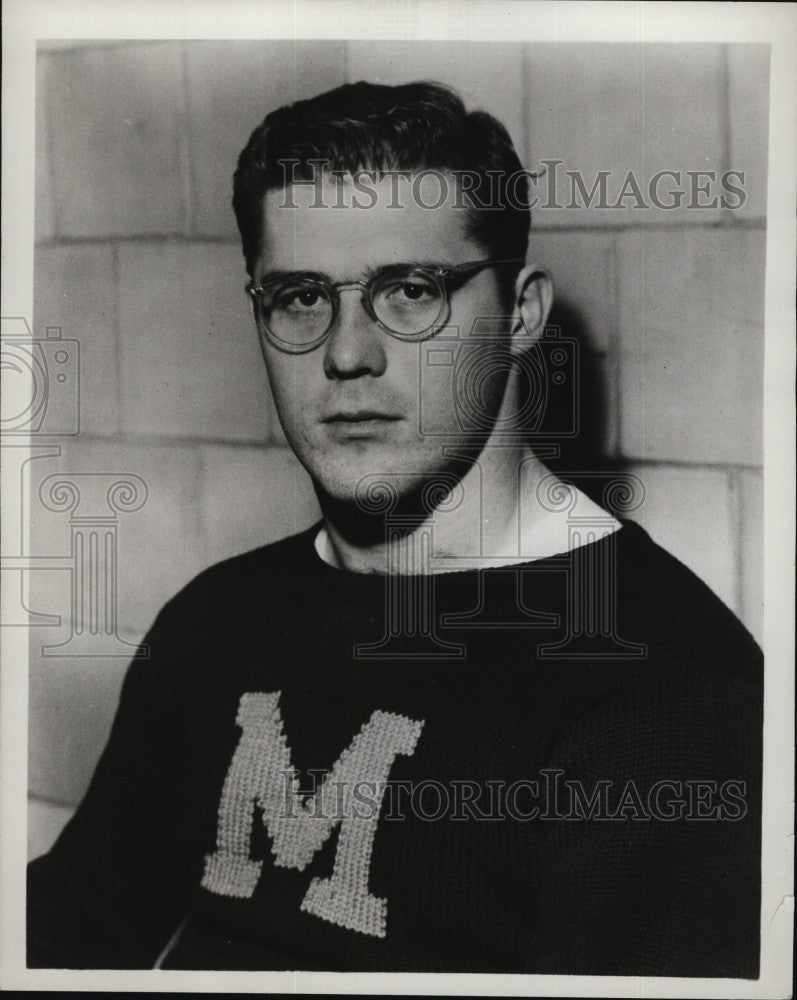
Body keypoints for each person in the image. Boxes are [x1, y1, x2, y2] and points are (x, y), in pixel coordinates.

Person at [27, 81, 763, 976]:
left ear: (521, 314)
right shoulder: (216, 620)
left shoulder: (663, 685)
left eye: (409, 291)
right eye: (299, 296)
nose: (345, 352)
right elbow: (68, 926)